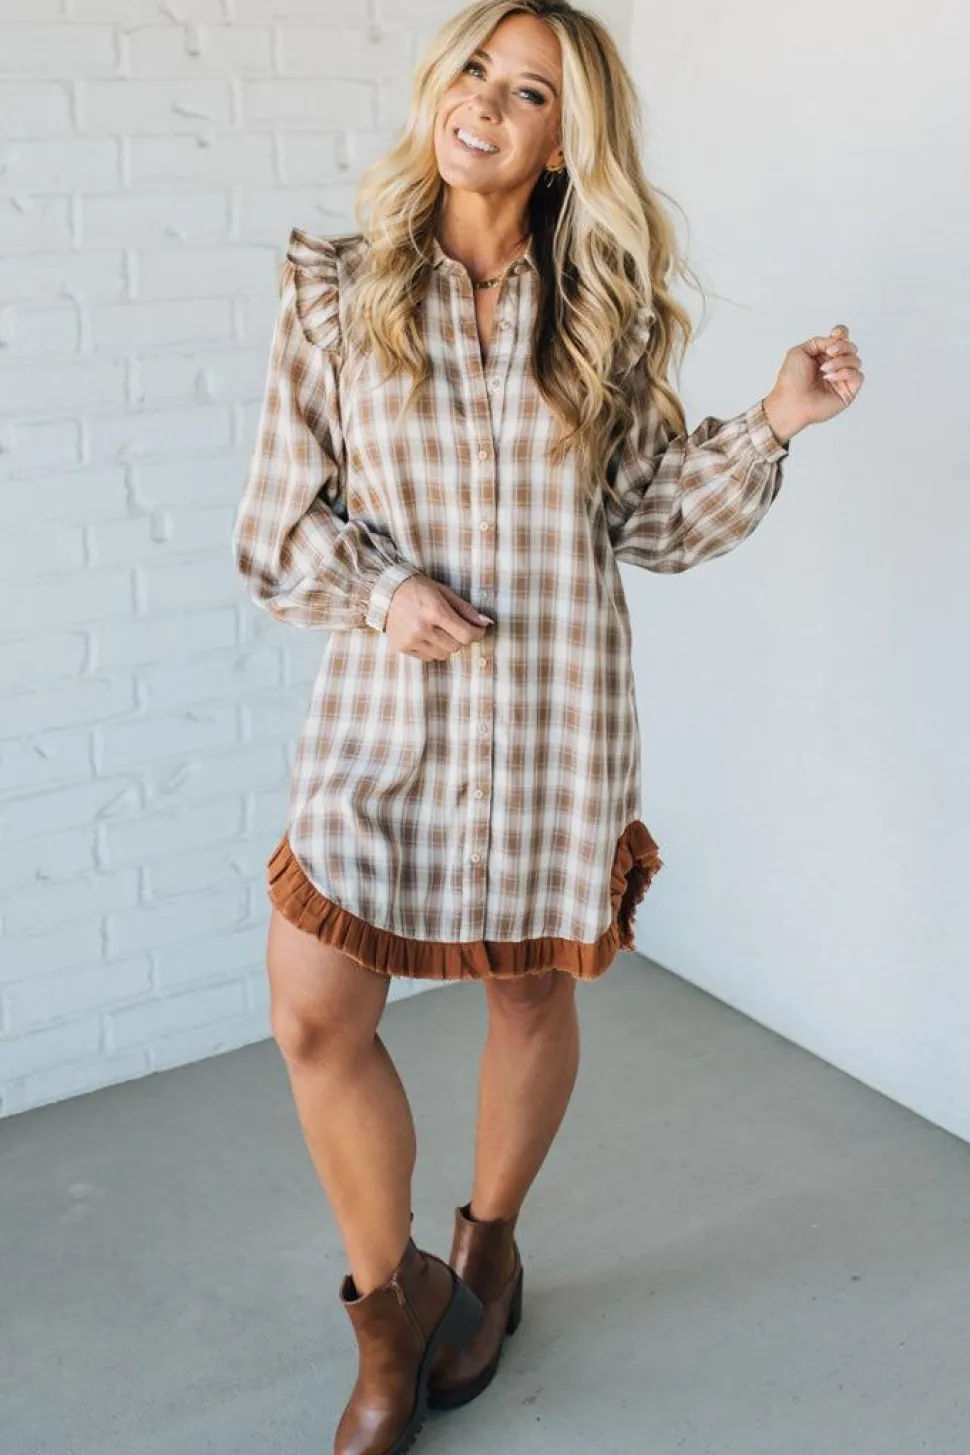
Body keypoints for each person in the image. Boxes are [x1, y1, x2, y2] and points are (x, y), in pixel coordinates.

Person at [232, 2, 864, 1451]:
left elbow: (650, 521)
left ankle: (491, 1250)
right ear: (437, 86)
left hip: (552, 716)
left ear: (566, 138)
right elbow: (275, 530)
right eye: (476, 69)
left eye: (529, 92)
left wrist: (773, 420)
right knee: (314, 1010)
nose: (487, 103)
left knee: (527, 995)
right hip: (383, 719)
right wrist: (382, 591)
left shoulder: (603, 313)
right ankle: (390, 1309)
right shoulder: (336, 290)